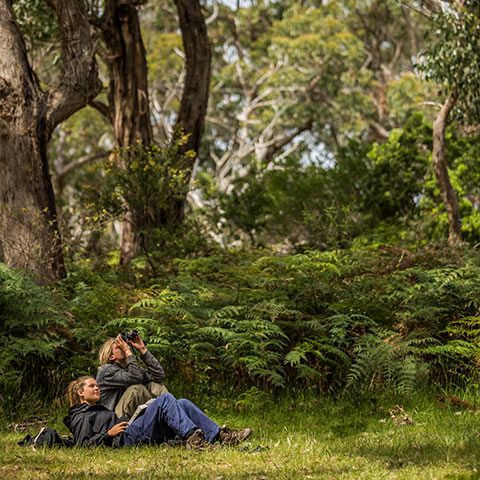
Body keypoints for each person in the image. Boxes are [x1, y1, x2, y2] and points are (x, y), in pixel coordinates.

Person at [64, 376, 252, 450]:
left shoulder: (97, 408)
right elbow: (82, 444)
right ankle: (193, 440)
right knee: (165, 399)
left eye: (97, 385)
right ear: (81, 392)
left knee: (183, 403)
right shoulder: (79, 416)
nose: (97, 388)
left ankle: (220, 435)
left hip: (129, 429)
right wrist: (108, 434)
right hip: (123, 440)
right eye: (92, 386)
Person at [96, 333, 168, 418]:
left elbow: (158, 376)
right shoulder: (106, 371)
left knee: (156, 386)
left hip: (131, 413)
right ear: (111, 356)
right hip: (114, 420)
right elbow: (135, 378)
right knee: (137, 389)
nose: (125, 347)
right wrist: (127, 352)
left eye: (125, 345)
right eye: (119, 347)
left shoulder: (130, 369)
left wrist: (142, 349)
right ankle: (159, 417)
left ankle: (168, 417)